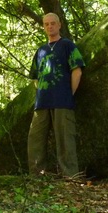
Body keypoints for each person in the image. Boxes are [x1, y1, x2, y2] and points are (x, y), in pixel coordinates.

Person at [27, 12, 85, 178]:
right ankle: (36, 176)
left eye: (53, 23)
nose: (50, 26)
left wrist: (68, 94)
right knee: (35, 139)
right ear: (44, 27)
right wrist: (41, 93)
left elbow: (77, 71)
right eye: (46, 24)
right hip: (42, 103)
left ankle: (71, 178)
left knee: (65, 140)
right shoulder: (40, 51)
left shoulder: (67, 45)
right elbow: (35, 78)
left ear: (59, 25)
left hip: (63, 102)